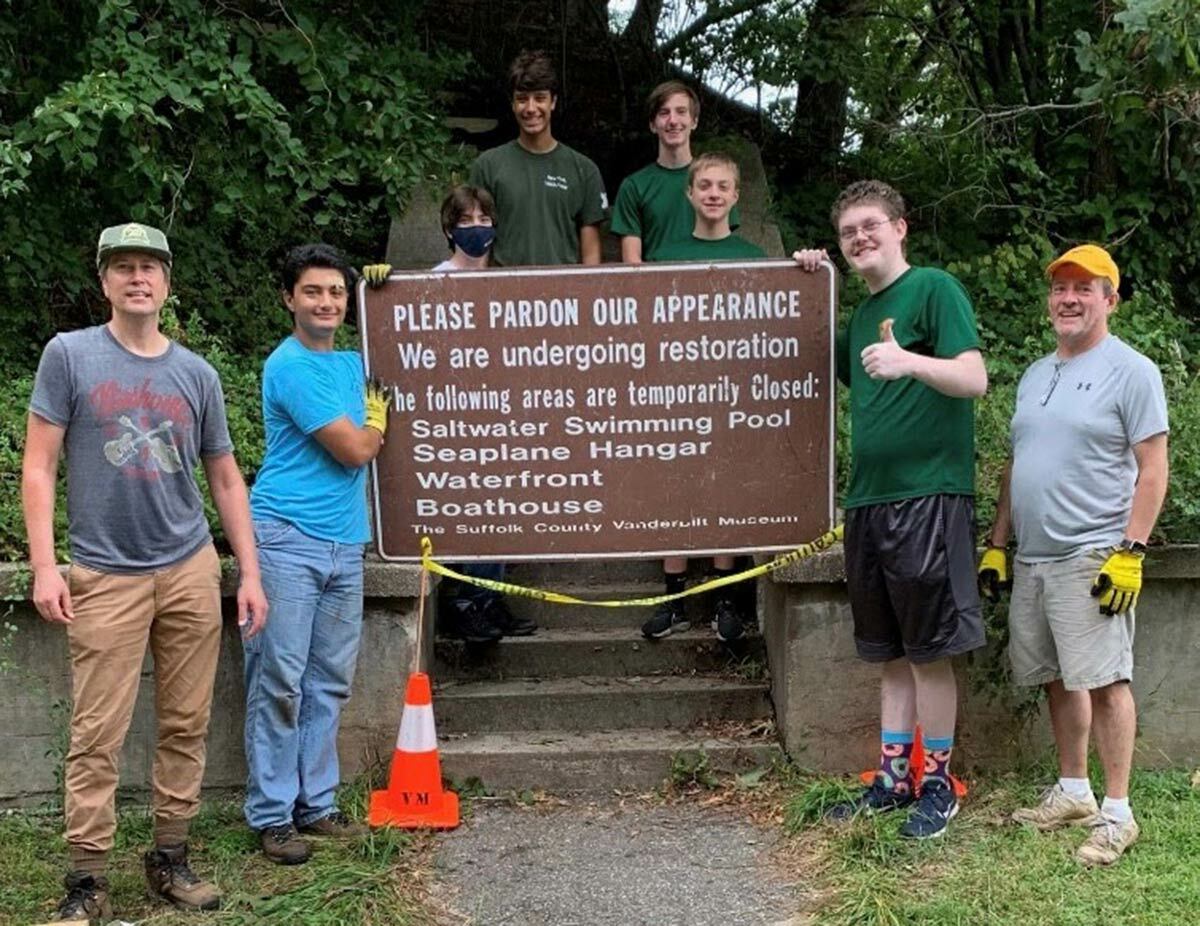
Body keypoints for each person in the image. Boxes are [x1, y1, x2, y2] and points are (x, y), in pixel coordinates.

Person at [22, 221, 268, 920]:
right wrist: (47, 565)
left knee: (186, 723)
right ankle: (86, 879)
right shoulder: (69, 357)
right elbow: (38, 466)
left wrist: (246, 573)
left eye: (149, 267)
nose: (137, 278)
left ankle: (170, 856)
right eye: (123, 266)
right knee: (98, 731)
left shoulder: (196, 374)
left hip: (189, 567)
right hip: (104, 572)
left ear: (166, 282)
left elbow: (224, 477)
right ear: (104, 281)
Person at [794, 180, 988, 838]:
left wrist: (910, 360)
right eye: (848, 232)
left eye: (870, 225)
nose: (859, 238)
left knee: (929, 650)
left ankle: (938, 783)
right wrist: (813, 281)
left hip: (930, 496)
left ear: (900, 227)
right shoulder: (856, 318)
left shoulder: (934, 289)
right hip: (869, 503)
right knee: (891, 655)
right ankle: (893, 778)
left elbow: (974, 378)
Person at [978, 244, 1168, 866]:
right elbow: (1016, 464)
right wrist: (998, 544)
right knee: (1058, 678)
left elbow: (1153, 467)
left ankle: (1118, 813)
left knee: (1108, 681)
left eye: (1084, 288)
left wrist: (1131, 551)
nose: (1068, 298)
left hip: (1094, 553)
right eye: (1060, 288)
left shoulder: (1131, 370)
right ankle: (1074, 790)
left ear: (1110, 300)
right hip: (1034, 556)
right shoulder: (1037, 374)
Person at [242, 243, 392, 864]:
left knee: (327, 682)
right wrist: (378, 424)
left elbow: (409, 345)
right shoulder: (291, 366)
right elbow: (355, 450)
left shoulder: (354, 361)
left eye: (337, 292)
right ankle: (272, 816)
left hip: (345, 542)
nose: (326, 302)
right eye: (313, 291)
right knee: (279, 680)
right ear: (288, 298)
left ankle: (318, 805)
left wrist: (387, 293)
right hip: (285, 539)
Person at [363, 186, 537, 643]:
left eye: (484, 219)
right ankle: (462, 604)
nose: (476, 228)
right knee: (468, 510)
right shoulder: (430, 283)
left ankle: (489, 599)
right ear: (448, 229)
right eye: (466, 220)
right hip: (452, 415)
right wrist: (383, 287)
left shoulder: (504, 284)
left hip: (500, 414)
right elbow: (404, 338)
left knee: (500, 511)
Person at [635, 152, 763, 642]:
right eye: (704, 185)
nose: (712, 193)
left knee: (725, 492)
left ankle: (724, 599)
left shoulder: (755, 257)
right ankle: (673, 600)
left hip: (732, 395)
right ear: (689, 193)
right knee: (675, 492)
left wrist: (809, 264)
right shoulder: (663, 255)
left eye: (722, 186)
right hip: (674, 393)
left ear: (735, 196)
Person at [468, 49, 607, 267]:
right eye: (522, 99)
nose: (531, 108)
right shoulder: (487, 166)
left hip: (563, 295)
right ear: (513, 104)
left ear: (553, 102)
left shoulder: (584, 170)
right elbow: (478, 246)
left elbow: (591, 256)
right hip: (504, 294)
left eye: (540, 98)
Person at [610, 80, 740, 262]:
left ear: (694, 121)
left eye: (681, 112)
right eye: (664, 113)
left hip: (710, 284)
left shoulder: (715, 183)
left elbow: (726, 245)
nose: (673, 121)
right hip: (658, 286)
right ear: (653, 124)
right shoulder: (634, 187)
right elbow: (633, 265)